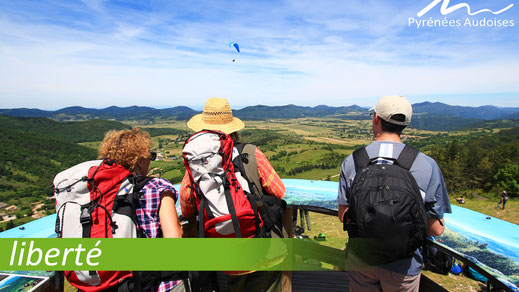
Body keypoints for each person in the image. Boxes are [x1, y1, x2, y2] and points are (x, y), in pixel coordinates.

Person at [337, 95, 452, 292]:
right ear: (405, 124)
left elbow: (343, 216)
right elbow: (436, 229)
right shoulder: (426, 164)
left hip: (361, 260)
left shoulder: (353, 161)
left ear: (376, 119)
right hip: (404, 265)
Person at [180, 97, 286, 292]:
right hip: (263, 247)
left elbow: (187, 209)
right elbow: (279, 191)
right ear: (233, 128)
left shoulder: (197, 166)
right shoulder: (251, 153)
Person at [98, 128, 185, 292]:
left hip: (113, 283)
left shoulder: (99, 190)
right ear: (139, 160)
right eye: (150, 156)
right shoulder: (158, 187)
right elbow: (174, 240)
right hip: (158, 284)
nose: (151, 160)